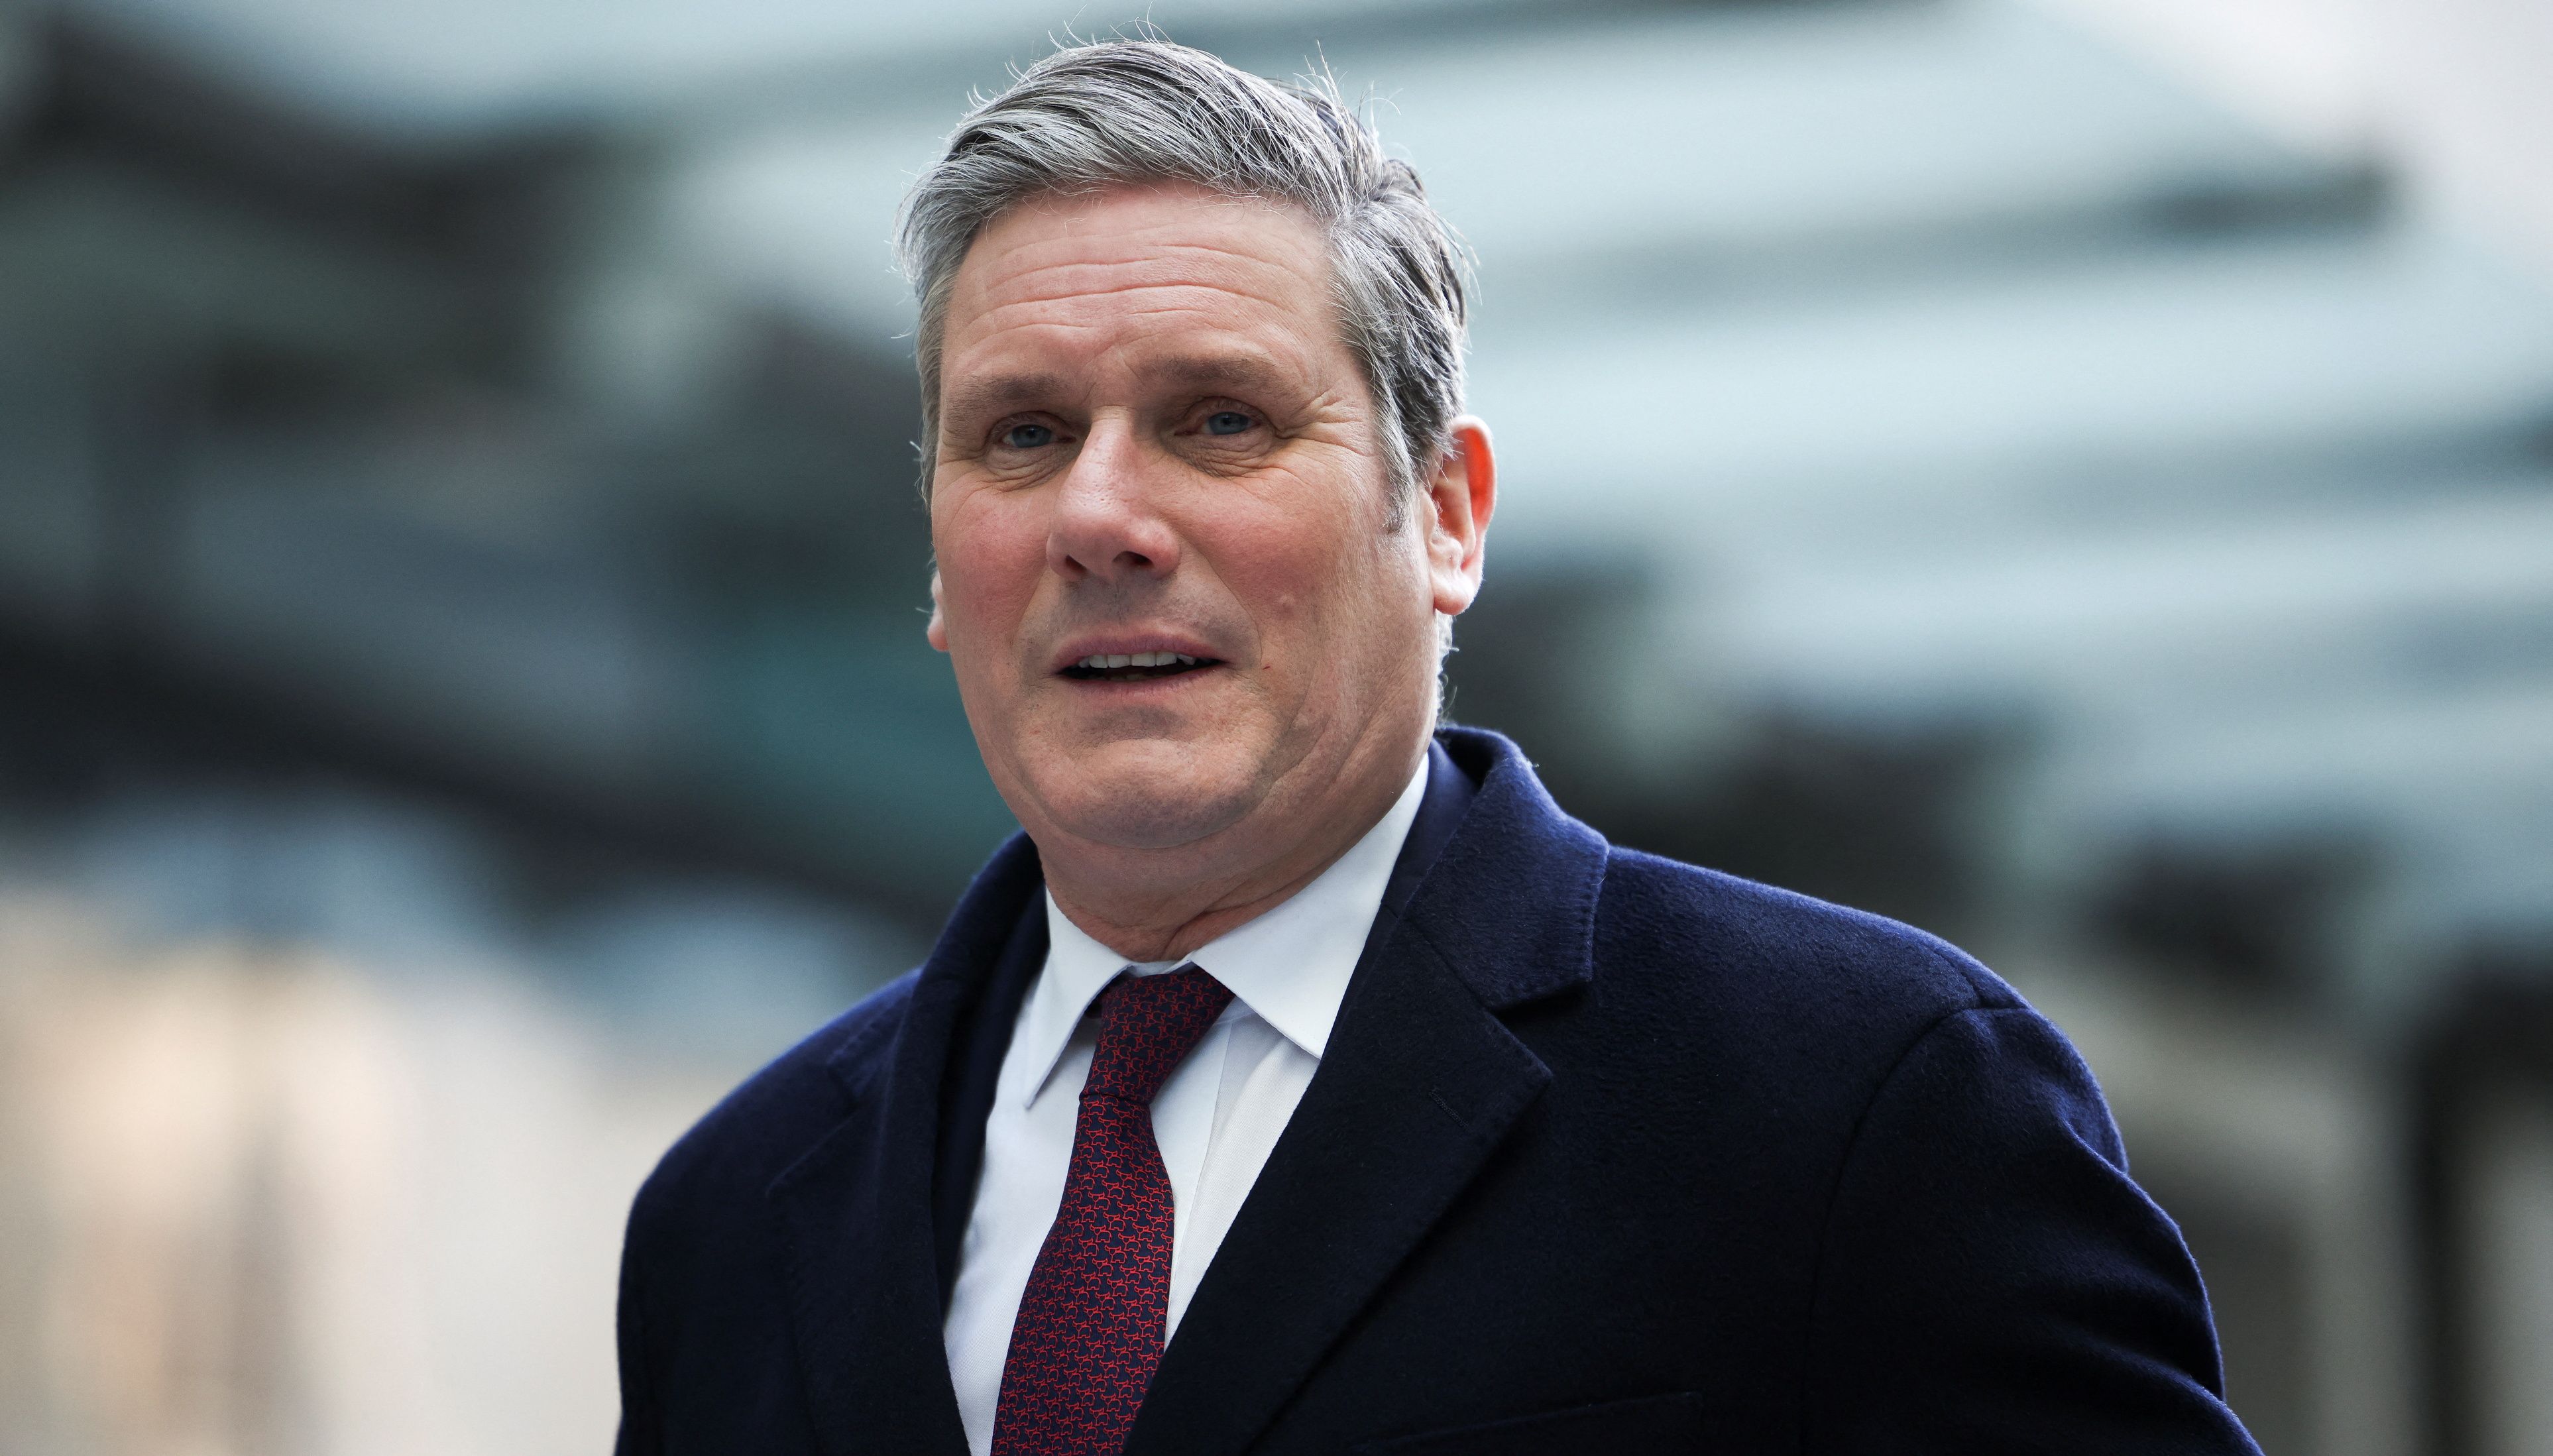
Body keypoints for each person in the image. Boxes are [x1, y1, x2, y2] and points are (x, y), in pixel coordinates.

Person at [613, 39, 2259, 1456]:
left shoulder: (1858, 1103)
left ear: (1449, 513)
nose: (1101, 514)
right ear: (937, 552)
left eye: (1220, 420)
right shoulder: (731, 1218)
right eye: (1024, 434)